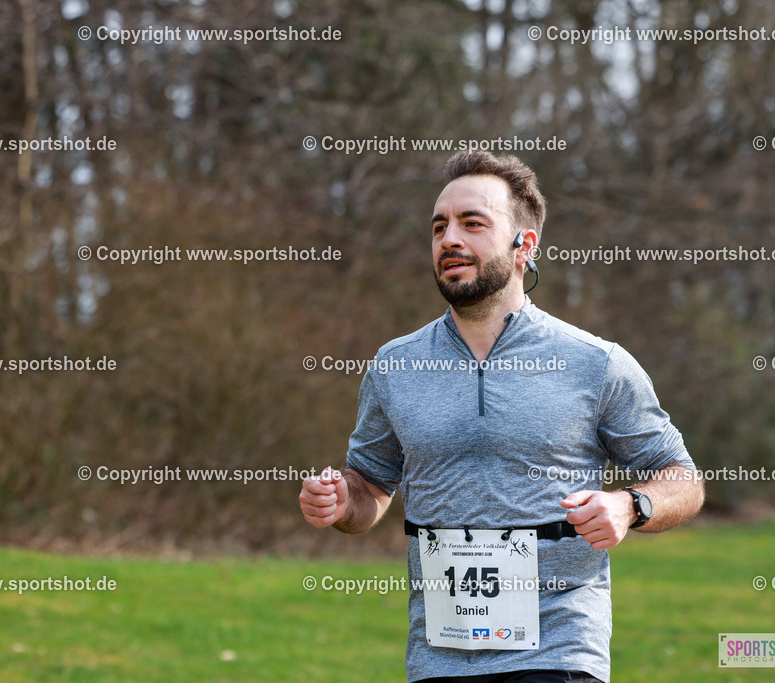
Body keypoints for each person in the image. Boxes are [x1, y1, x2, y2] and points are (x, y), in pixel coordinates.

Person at [299, 151, 704, 682]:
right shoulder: (395, 364)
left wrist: (631, 505)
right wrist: (338, 500)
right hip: (437, 657)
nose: (449, 239)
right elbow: (370, 487)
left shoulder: (595, 363)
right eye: (439, 226)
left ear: (524, 246)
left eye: (473, 223)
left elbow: (684, 479)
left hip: (558, 652)